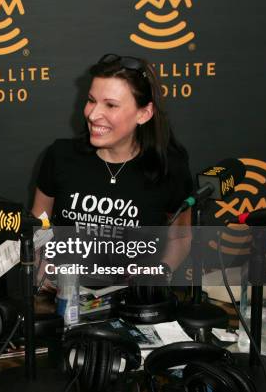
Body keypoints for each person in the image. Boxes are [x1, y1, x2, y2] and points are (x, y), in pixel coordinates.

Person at [32, 54, 193, 282]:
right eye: (91, 100)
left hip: (134, 304)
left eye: (111, 105)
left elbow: (180, 238)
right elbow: (40, 221)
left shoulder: (169, 166)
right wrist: (41, 264)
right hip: (66, 297)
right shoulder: (61, 156)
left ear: (144, 113)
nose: (93, 114)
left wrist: (161, 272)